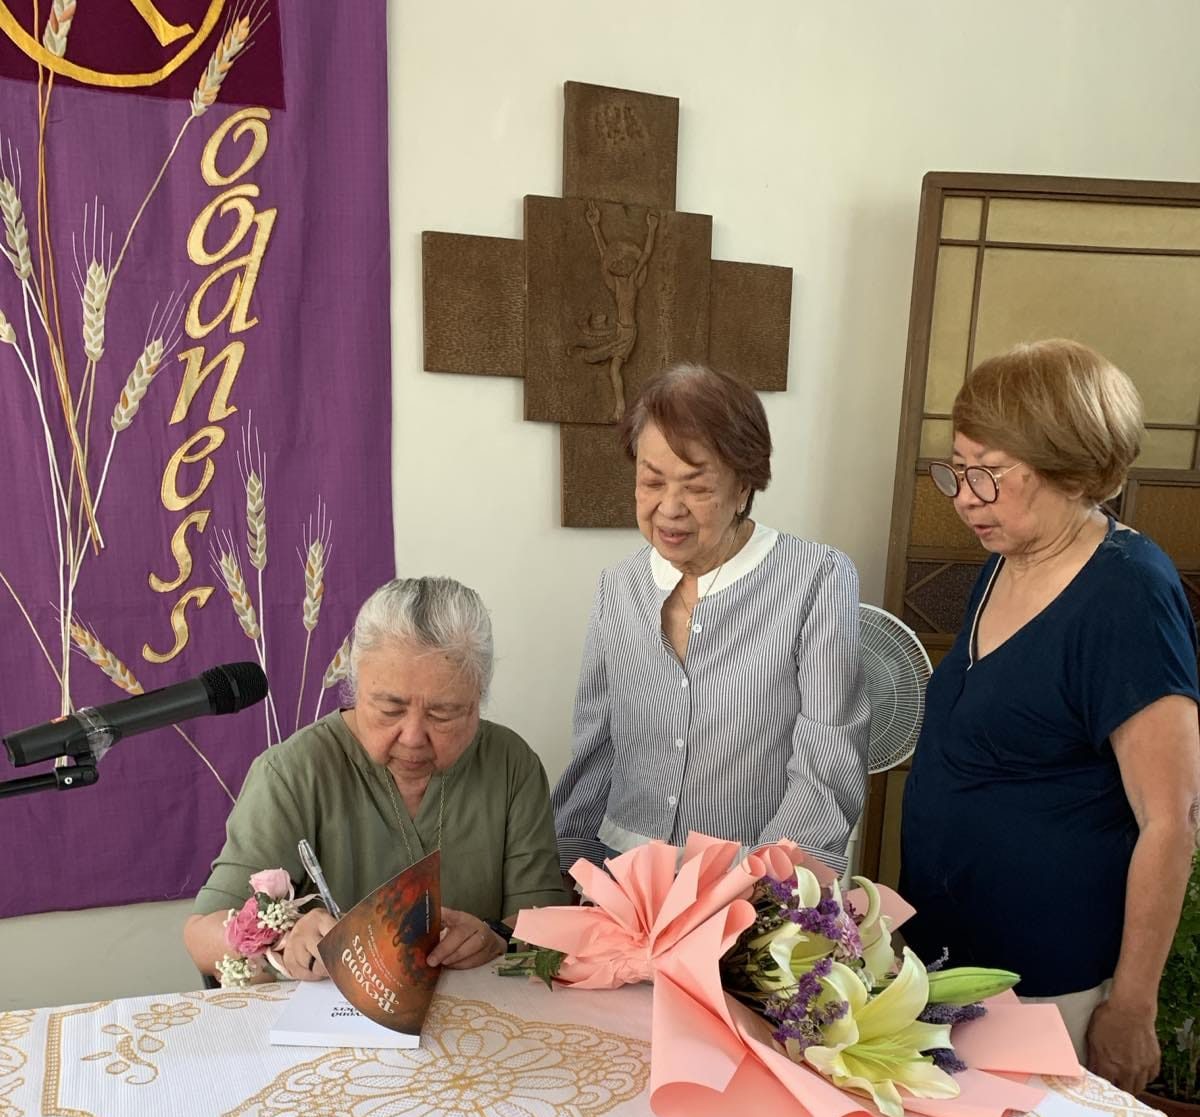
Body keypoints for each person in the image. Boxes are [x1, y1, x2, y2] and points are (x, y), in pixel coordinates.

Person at [899, 339, 1200, 1094]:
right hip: (945, 955)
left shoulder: (1128, 595)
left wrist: (1132, 1008)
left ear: (1068, 467)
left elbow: (1172, 820)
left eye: (988, 472)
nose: (964, 497)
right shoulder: (1006, 555)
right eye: (957, 468)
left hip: (1047, 980)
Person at [552, 363, 871, 877]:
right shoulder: (619, 587)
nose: (669, 508)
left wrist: (762, 885)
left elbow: (827, 760)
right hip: (623, 875)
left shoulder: (815, 580)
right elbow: (595, 749)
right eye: (651, 482)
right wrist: (567, 870)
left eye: (696, 487)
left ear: (744, 485)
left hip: (747, 883)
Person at [184, 576, 568, 981]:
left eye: (443, 714)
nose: (413, 737)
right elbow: (200, 936)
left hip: (477, 1013)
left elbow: (547, 931)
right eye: (389, 709)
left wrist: (498, 939)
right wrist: (284, 945)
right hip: (332, 1017)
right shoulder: (293, 773)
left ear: (478, 701)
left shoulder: (509, 764)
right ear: (355, 689)